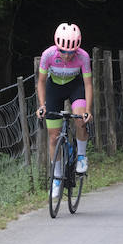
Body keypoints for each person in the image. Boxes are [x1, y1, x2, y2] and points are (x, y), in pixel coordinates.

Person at [36, 22, 93, 198]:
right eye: (63, 51)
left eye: (71, 52)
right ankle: (57, 178)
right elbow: (41, 82)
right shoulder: (48, 55)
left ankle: (81, 156)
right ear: (57, 47)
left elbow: (88, 84)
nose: (67, 56)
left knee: (80, 120)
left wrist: (88, 110)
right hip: (54, 89)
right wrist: (42, 105)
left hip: (75, 87)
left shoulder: (83, 57)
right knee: (53, 136)